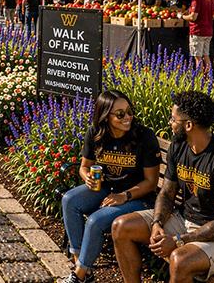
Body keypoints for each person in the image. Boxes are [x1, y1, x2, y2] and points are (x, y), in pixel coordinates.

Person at [112, 91, 214, 283]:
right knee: (121, 227)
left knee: (179, 260)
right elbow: (166, 193)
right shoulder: (179, 145)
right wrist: (157, 222)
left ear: (188, 125)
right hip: (184, 220)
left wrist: (178, 241)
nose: (169, 123)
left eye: (173, 119)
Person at [59, 90, 160, 283]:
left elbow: (151, 183)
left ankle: (79, 275)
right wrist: (87, 177)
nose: (127, 117)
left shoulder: (144, 136)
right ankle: (82, 266)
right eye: (120, 114)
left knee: (95, 221)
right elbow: (84, 167)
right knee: (69, 200)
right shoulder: (95, 133)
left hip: (138, 198)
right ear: (105, 116)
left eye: (129, 111)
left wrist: (124, 196)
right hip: (106, 189)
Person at [182, 0, 214, 73]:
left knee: (198, 58)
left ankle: (199, 80)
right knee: (206, 56)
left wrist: (182, 17)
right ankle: (208, 79)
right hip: (208, 31)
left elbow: (193, 17)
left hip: (198, 31)